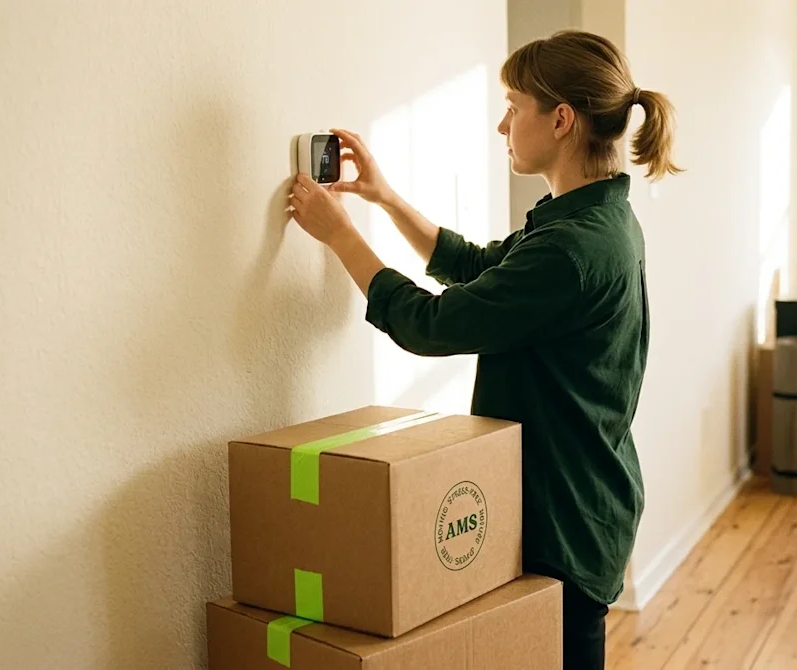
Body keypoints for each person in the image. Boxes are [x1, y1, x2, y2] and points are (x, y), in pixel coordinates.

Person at [287, 29, 680, 670]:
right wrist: (384, 198)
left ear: (560, 119)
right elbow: (476, 267)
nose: (502, 125)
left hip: (565, 519)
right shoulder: (589, 218)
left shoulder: (573, 249)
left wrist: (340, 237)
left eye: (513, 106)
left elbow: (429, 325)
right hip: (583, 498)